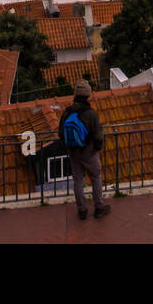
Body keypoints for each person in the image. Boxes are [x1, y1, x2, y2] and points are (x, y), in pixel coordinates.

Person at [59, 79, 111, 220]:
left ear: (75, 95)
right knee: (95, 178)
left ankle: (82, 210)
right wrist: (97, 148)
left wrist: (70, 147)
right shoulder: (91, 113)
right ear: (88, 95)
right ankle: (99, 208)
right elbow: (98, 135)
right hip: (89, 152)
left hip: (73, 152)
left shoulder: (67, 112)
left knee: (78, 181)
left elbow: (60, 133)